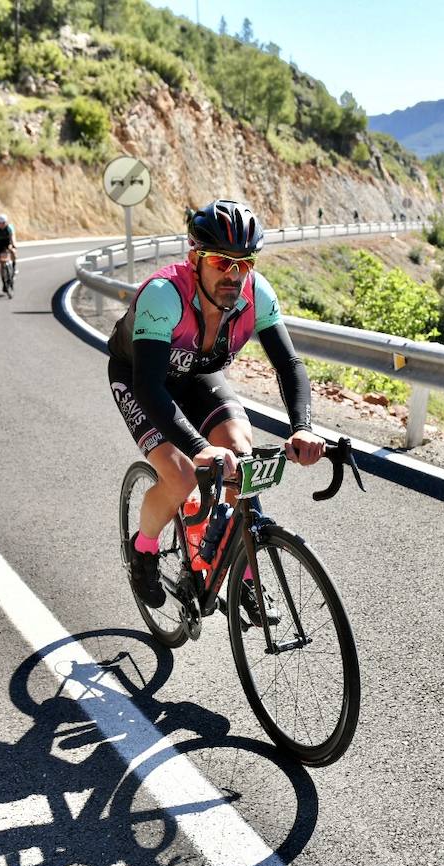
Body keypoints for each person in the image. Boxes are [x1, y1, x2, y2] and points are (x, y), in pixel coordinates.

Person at [107, 199, 323, 618]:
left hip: (196, 374)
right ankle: (143, 550)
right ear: (195, 259)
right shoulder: (163, 296)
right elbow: (149, 385)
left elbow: (289, 365)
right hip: (142, 378)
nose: (233, 274)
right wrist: (197, 446)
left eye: (243, 263)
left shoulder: (256, 294)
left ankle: (240, 568)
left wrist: (303, 427)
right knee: (183, 474)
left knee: (241, 454)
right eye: (221, 262)